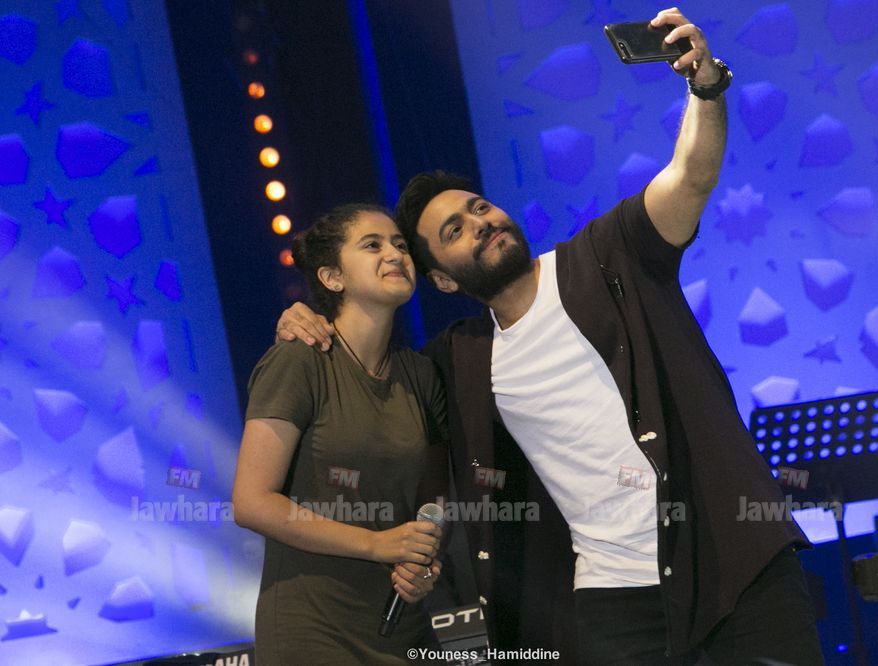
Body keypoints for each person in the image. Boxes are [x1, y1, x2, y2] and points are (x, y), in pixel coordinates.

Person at [276, 8, 822, 664]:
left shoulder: (607, 256)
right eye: (454, 232)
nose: (480, 223)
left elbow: (691, 176)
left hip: (729, 562)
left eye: (479, 207)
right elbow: (371, 374)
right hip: (613, 603)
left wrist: (706, 86)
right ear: (443, 281)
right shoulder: (462, 359)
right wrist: (306, 318)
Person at [231, 204, 449, 664]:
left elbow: (431, 503)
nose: (395, 254)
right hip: (313, 628)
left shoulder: (421, 374)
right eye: (372, 245)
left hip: (401, 623)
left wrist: (425, 562)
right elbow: (251, 502)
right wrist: (375, 544)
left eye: (400, 244)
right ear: (332, 278)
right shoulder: (299, 358)